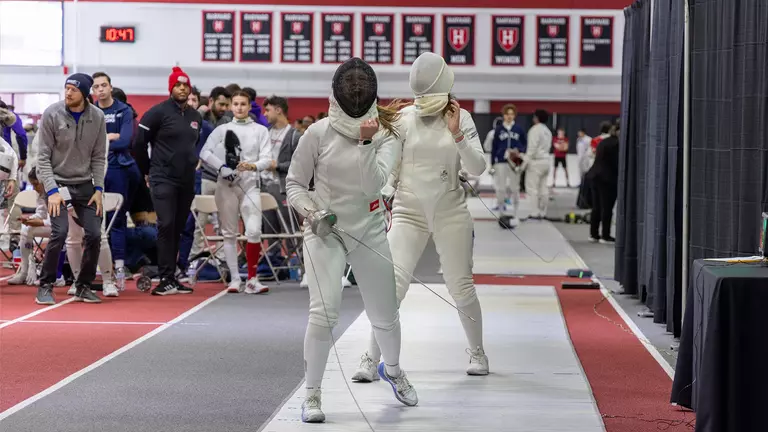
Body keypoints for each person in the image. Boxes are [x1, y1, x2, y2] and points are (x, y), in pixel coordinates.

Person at [286, 57, 418, 423]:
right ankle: (312, 395)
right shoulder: (317, 133)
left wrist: (365, 142)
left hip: (369, 230)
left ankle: (392, 370)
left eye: (362, 86)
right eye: (350, 86)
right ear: (337, 91)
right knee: (324, 313)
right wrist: (312, 214)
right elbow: (294, 184)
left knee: (385, 315)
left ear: (372, 92)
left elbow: (372, 186)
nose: (356, 91)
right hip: (325, 231)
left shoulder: (386, 136)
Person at [352, 52, 488, 383]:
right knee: (391, 287)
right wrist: (382, 194)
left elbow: (477, 167)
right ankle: (372, 357)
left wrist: (457, 134)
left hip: (450, 211)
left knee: (461, 285)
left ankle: (478, 352)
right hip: (408, 212)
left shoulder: (461, 118)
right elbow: (389, 167)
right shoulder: (402, 119)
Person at [35, 73, 106, 305]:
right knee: (60, 232)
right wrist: (52, 191)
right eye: (66, 88)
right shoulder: (51, 113)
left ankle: (83, 285)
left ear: (84, 93)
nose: (68, 93)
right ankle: (45, 285)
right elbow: (42, 158)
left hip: (86, 186)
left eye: (73, 90)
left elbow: (99, 156)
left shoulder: (98, 117)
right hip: (57, 183)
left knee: (94, 234)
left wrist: (99, 188)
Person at [134, 66, 200, 296]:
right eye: (177, 85)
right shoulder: (157, 113)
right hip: (162, 177)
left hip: (186, 180)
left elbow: (193, 145)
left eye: (185, 85)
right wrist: (147, 171)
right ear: (171, 88)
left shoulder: (195, 116)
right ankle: (165, 278)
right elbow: (139, 144)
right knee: (166, 224)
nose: (182, 89)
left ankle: (172, 276)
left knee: (178, 227)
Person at [199, 90, 273, 293]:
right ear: (231, 106)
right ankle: (235, 279)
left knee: (254, 230)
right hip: (226, 186)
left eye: (243, 104)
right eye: (236, 104)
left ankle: (252, 279)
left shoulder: (260, 130)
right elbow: (205, 152)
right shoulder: (222, 130)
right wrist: (222, 168)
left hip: (250, 185)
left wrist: (252, 166)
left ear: (249, 106)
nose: (239, 107)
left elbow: (267, 159)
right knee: (229, 233)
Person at [91, 72, 141, 288]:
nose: (100, 89)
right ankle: (97, 265)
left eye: (104, 85)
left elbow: (126, 141)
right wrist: (110, 137)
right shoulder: (90, 111)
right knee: (93, 219)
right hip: (94, 170)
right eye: (96, 86)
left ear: (110, 87)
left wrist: (101, 141)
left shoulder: (123, 110)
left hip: (119, 168)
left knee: (116, 219)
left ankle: (119, 267)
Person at [8, 167, 46, 286]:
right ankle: (24, 271)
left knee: (28, 228)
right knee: (25, 229)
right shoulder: (40, 194)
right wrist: (29, 219)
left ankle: (55, 274)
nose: (34, 188)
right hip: (49, 224)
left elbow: (55, 220)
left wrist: (36, 222)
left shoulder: (55, 193)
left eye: (36, 184)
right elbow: (41, 213)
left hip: (62, 227)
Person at [489, 104, 527, 217]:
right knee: (501, 188)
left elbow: (525, 144)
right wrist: (492, 163)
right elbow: (494, 147)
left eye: (511, 114)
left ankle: (516, 212)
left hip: (515, 162)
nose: (509, 116)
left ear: (514, 115)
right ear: (503, 115)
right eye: (507, 114)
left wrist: (519, 150)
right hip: (501, 162)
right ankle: (501, 211)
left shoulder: (519, 129)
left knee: (515, 188)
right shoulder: (499, 130)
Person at [586, 123, 620, 243]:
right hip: (607, 179)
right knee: (607, 207)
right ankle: (605, 235)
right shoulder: (617, 144)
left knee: (596, 207)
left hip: (595, 176)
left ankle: (593, 234)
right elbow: (616, 163)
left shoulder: (603, 142)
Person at [524, 109, 553, 220]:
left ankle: (534, 213)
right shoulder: (548, 131)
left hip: (536, 162)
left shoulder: (535, 130)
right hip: (546, 161)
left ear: (536, 118)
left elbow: (532, 148)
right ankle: (543, 212)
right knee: (543, 188)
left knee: (532, 188)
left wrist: (524, 163)